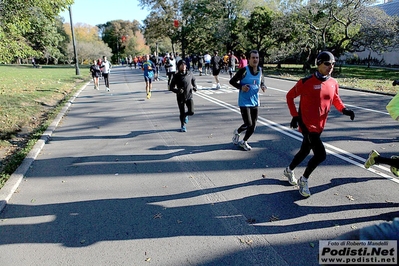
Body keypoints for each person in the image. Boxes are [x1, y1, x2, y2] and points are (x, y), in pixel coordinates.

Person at [283, 51, 355, 198]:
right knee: (321, 155)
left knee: (304, 150)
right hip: (307, 125)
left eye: (333, 64)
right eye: (327, 63)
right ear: (319, 64)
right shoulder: (305, 82)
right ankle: (304, 180)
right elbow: (289, 96)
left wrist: (344, 110)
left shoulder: (333, 83)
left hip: (320, 125)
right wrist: (295, 116)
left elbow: (335, 98)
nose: (331, 66)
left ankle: (289, 170)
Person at [230, 50, 267, 151]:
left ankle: (244, 141)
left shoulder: (260, 70)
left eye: (257, 58)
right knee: (248, 124)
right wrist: (241, 87)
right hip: (244, 101)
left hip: (255, 101)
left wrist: (263, 85)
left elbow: (262, 80)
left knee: (253, 127)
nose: (255, 59)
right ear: (249, 59)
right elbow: (232, 81)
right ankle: (237, 132)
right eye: (253, 58)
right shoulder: (244, 70)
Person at [169, 60, 197, 132]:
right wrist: (177, 90)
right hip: (180, 97)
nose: (183, 66)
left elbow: (193, 80)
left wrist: (195, 87)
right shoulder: (176, 76)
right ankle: (183, 125)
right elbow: (171, 87)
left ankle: (185, 115)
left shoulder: (190, 74)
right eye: (181, 65)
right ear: (179, 66)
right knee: (182, 111)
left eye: (184, 64)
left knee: (192, 111)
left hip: (189, 95)